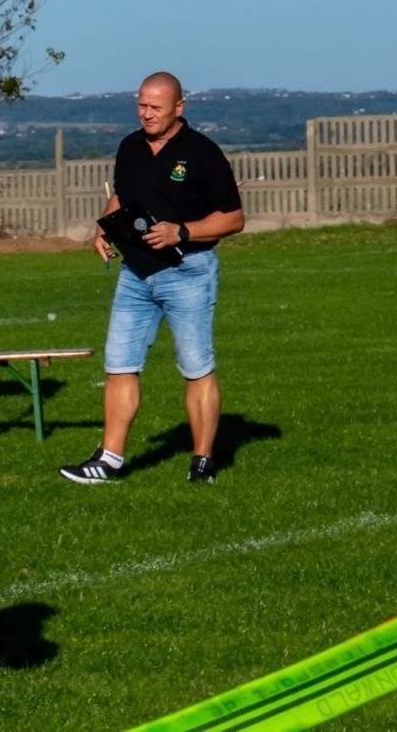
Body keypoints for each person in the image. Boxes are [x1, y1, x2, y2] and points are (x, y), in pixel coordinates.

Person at [60, 71, 244, 486]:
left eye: (155, 107)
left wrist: (183, 232)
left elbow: (234, 218)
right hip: (136, 274)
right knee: (119, 364)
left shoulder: (203, 152)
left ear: (179, 107)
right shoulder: (130, 146)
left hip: (189, 272)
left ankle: (202, 462)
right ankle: (109, 460)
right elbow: (121, 197)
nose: (146, 114)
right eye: (141, 105)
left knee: (196, 367)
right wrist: (104, 229)